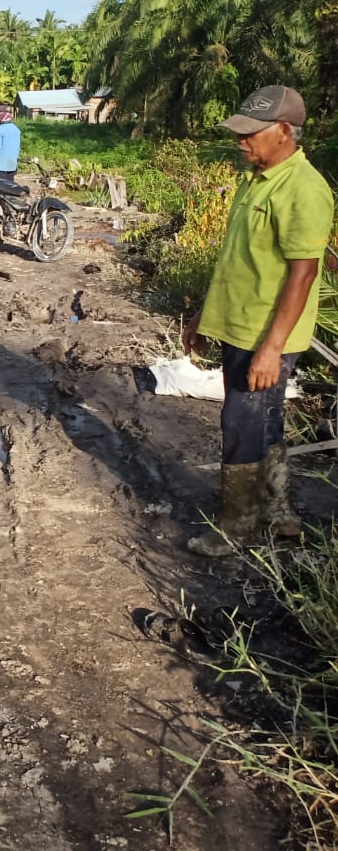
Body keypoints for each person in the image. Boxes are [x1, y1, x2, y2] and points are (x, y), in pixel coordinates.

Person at [180, 85, 335, 557]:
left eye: (251, 133)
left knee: (241, 422)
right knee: (265, 419)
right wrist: (203, 315)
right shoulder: (258, 178)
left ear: (284, 132)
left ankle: (237, 526)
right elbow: (234, 258)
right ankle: (278, 511)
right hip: (237, 321)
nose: (241, 141)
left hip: (265, 332)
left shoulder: (304, 189)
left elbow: (304, 273)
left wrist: (272, 347)